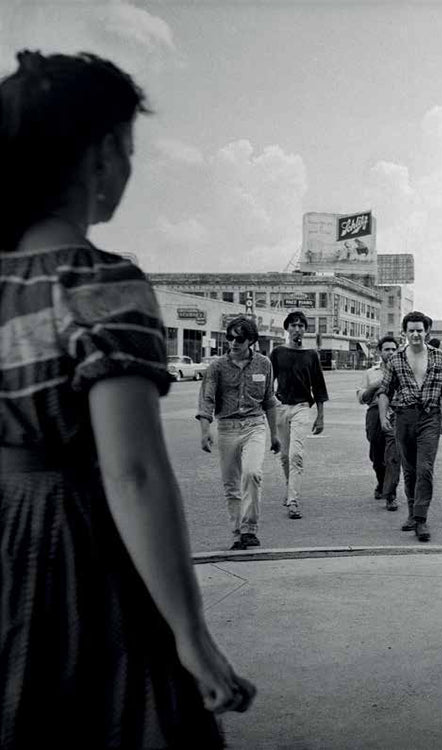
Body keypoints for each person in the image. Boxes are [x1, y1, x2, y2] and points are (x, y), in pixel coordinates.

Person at [0, 51, 253, 749]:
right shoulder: (99, 284)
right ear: (103, 155)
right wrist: (192, 633)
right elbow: (133, 473)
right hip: (73, 546)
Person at [197, 316, 281, 549]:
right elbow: (207, 399)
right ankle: (238, 533)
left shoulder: (264, 364)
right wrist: (205, 430)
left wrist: (274, 435)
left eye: (239, 339)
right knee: (231, 485)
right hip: (227, 428)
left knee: (252, 473)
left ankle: (250, 528)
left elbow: (269, 401)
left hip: (254, 425)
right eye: (230, 337)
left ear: (251, 341)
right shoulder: (217, 367)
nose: (233, 343)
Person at [378, 311, 442, 542]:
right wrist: (383, 416)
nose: (415, 334)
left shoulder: (439, 358)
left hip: (430, 417)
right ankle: (412, 513)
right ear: (404, 332)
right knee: (409, 470)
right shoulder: (396, 359)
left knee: (425, 468)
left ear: (427, 331)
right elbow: (384, 391)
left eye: (419, 330)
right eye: (411, 330)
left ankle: (421, 519)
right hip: (404, 417)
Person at [270, 310, 328, 520]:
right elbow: (268, 382)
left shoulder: (311, 355)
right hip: (281, 407)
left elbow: (319, 386)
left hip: (302, 408)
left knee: (296, 455)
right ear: (287, 328)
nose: (297, 329)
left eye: (301, 325)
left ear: (305, 329)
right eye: (293, 325)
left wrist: (320, 415)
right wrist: (269, 406)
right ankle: (289, 487)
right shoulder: (277, 353)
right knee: (284, 456)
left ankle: (293, 500)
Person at [356, 335, 401, 511]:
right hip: (374, 412)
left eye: (393, 349)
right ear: (379, 352)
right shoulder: (370, 373)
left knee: (393, 455)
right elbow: (362, 399)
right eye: (386, 349)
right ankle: (382, 482)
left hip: (396, 412)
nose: (390, 353)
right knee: (376, 455)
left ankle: (391, 494)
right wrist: (376, 385)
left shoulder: (404, 371)